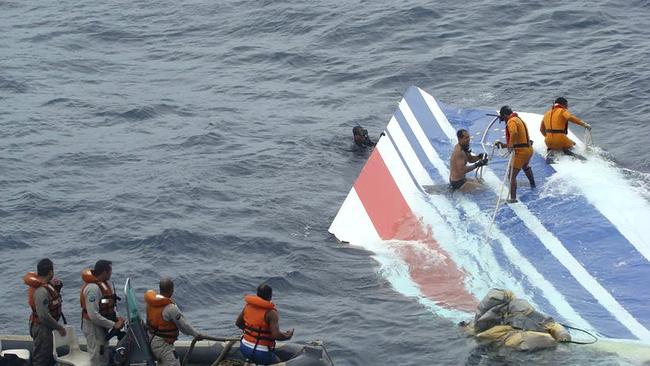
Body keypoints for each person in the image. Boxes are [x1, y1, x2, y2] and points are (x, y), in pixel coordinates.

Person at [145, 278, 208, 366]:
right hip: (163, 345)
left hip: (151, 341)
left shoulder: (150, 304)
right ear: (172, 290)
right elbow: (184, 326)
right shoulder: (170, 308)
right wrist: (196, 335)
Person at [235, 284, 294, 365]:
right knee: (278, 363)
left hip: (244, 347)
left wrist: (252, 333)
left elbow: (238, 323)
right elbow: (276, 335)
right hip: (260, 352)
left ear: (257, 294)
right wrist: (288, 336)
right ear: (270, 296)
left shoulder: (248, 306)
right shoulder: (271, 313)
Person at [80, 260, 124, 366]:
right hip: (93, 327)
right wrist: (113, 324)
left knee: (103, 355)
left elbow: (106, 303)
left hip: (101, 327)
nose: (111, 274)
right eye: (110, 271)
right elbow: (93, 315)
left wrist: (116, 318)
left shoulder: (103, 286)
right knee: (97, 357)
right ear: (104, 272)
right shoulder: (93, 289)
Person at [23, 258, 66, 366]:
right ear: (50, 272)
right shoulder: (41, 291)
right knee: (41, 358)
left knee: (49, 356)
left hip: (47, 326)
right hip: (42, 328)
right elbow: (43, 315)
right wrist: (59, 327)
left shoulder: (47, 285)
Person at [495, 106, 536, 203]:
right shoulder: (518, 119)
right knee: (525, 166)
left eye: (503, 117)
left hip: (521, 152)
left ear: (505, 115)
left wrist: (510, 146)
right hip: (529, 149)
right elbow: (519, 140)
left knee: (511, 176)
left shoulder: (511, 121)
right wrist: (504, 145)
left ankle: (513, 198)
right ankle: (533, 184)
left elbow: (514, 133)